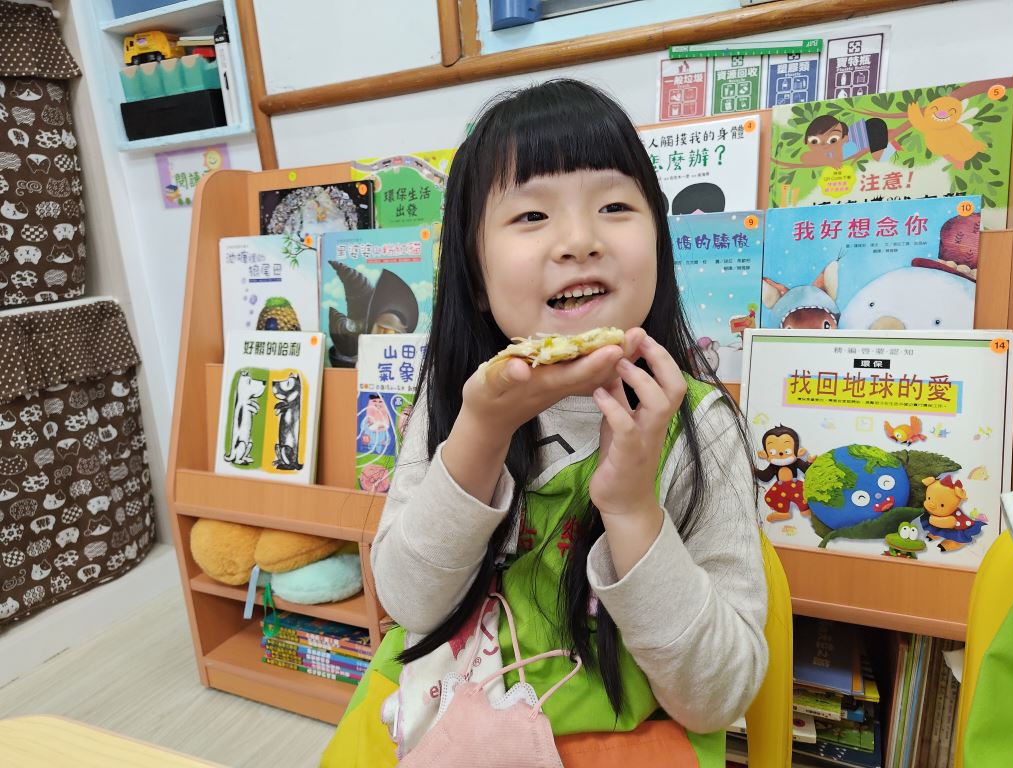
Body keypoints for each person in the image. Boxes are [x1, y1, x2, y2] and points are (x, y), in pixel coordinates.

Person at [321, 79, 767, 768]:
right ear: (476, 277)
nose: (580, 240)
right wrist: (480, 434)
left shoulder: (699, 427)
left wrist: (631, 508)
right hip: (441, 712)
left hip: (620, 740)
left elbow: (718, 696)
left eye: (615, 206)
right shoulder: (454, 399)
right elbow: (411, 606)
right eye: (531, 215)